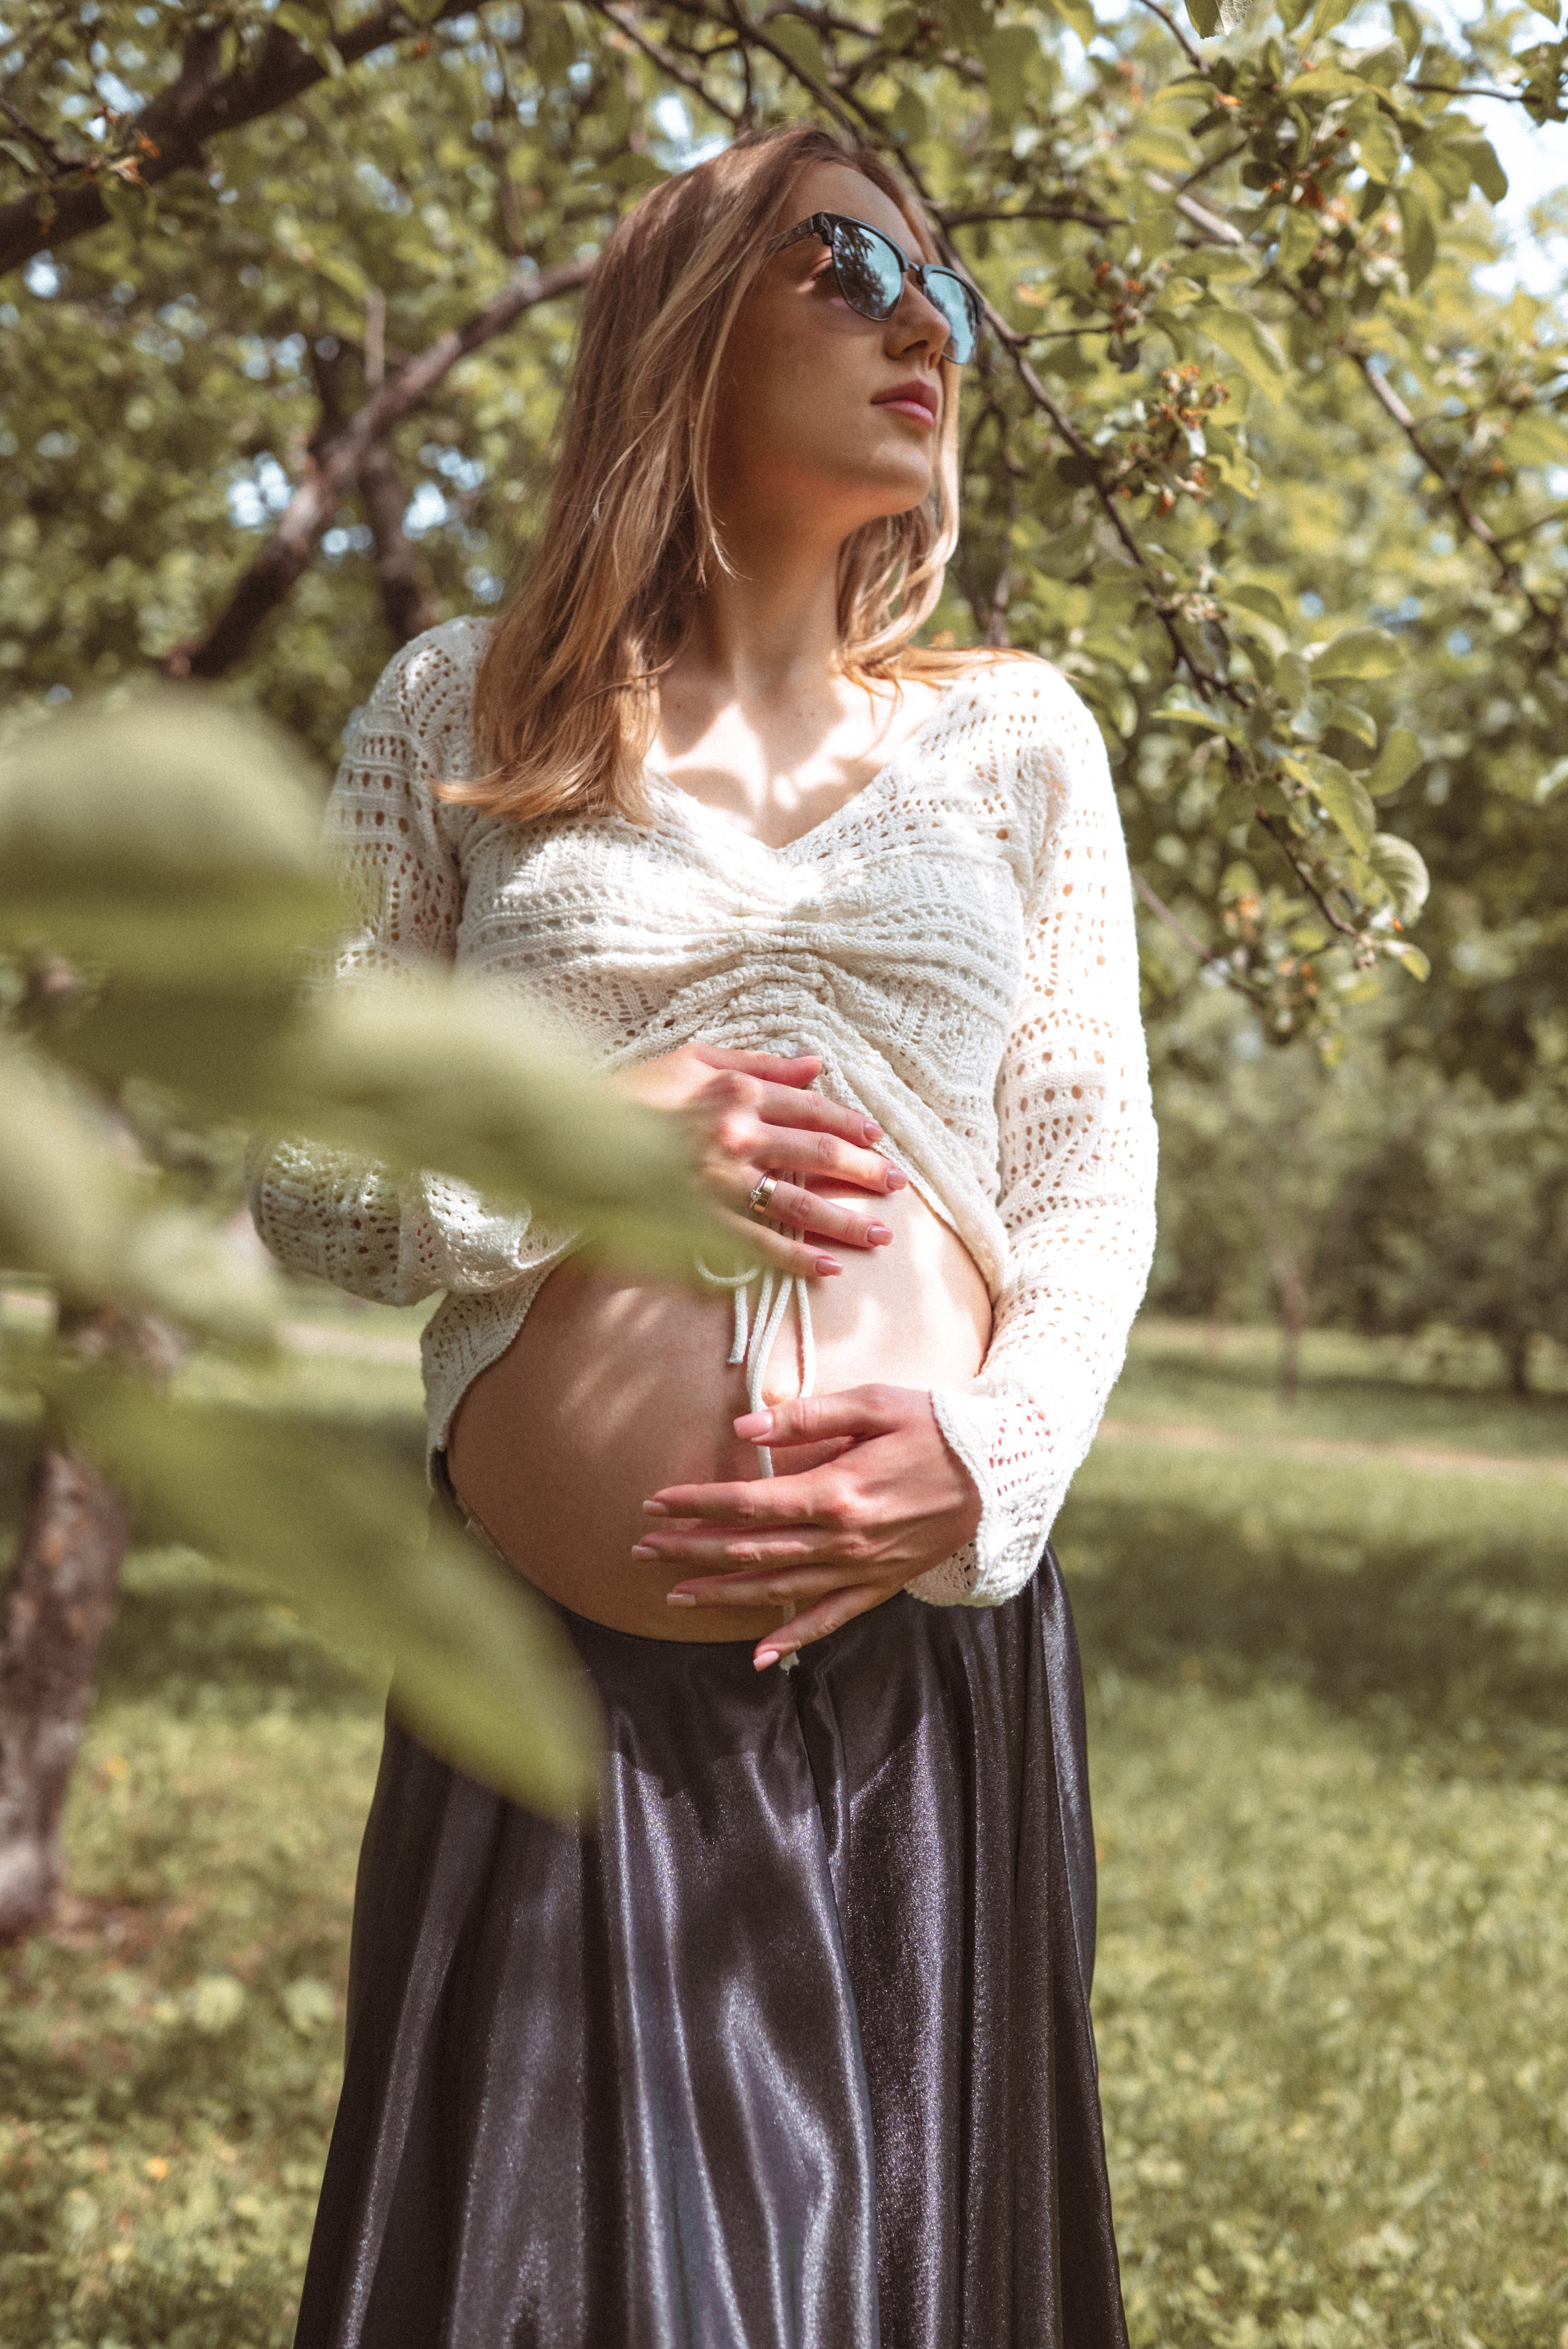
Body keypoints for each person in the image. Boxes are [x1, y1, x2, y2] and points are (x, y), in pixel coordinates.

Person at [249, 117, 1156, 2349]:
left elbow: (1087, 1174)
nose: (919, 318)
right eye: (851, 263)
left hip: (918, 1676)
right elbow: (306, 1183)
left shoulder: (1021, 742)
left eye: (943, 286)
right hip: (557, 1697)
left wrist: (994, 1462)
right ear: (687, 314)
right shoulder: (467, 706)